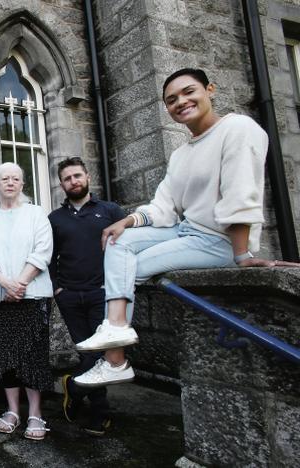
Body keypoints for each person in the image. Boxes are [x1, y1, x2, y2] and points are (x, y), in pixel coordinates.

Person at [73, 68, 298, 387]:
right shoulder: (181, 154)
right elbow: (164, 207)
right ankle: (117, 335)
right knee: (118, 242)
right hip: (187, 233)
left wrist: (242, 254)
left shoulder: (238, 128)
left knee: (126, 266)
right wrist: (126, 221)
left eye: (189, 92)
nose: (181, 102)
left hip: (218, 242)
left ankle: (114, 355)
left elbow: (240, 192)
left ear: (210, 89)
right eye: (171, 99)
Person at [0, 162, 53, 440]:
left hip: (33, 295)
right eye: (4, 178)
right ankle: (13, 410)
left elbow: (43, 250)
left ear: (22, 184)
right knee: (5, 358)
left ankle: (36, 414)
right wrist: (6, 283)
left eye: (15, 178)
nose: (9, 182)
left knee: (32, 356)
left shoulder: (36, 213)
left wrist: (20, 283)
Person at [48, 157, 126, 436]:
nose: (73, 181)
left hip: (102, 293)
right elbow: (48, 257)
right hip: (69, 295)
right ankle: (91, 401)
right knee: (86, 352)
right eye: (68, 178)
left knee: (100, 353)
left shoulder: (110, 210)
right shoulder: (55, 219)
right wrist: (57, 288)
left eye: (77, 176)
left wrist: (115, 286)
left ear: (87, 176)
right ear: (61, 184)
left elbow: (129, 247)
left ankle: (83, 395)